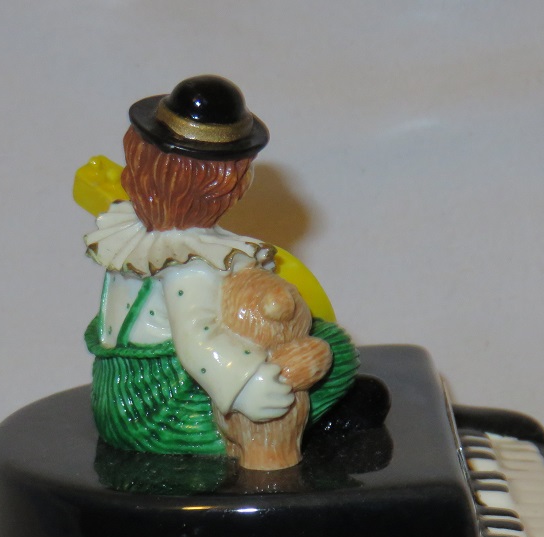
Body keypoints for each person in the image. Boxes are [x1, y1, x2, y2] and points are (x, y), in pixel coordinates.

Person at [83, 75, 356, 456]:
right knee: (334, 351)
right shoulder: (188, 264)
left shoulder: (134, 234)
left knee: (312, 339)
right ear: (222, 185)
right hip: (159, 412)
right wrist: (248, 386)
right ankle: (273, 434)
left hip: (114, 395)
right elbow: (198, 341)